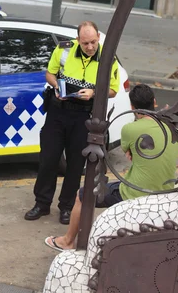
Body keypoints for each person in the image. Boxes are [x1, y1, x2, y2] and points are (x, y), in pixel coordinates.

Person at [44, 84, 178, 250]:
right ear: (154, 102)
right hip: (165, 191)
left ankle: (68, 241)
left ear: (132, 107)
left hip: (134, 191)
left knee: (83, 195)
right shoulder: (170, 127)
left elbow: (129, 154)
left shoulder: (131, 129)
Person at [25, 21, 120, 225]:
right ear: (78, 40)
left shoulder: (107, 58)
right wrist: (57, 87)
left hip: (83, 117)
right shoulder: (63, 50)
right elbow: (49, 73)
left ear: (98, 38)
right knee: (48, 159)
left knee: (75, 165)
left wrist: (94, 93)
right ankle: (41, 203)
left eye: (93, 42)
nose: (90, 47)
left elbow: (114, 90)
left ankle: (66, 207)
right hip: (58, 112)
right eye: (85, 43)